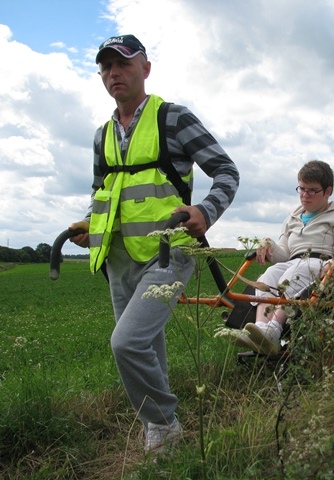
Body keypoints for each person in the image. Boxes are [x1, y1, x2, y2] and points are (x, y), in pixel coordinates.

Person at [67, 35, 239, 454]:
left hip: (169, 253)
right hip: (119, 260)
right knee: (146, 345)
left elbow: (226, 171)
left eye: (123, 64)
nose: (114, 73)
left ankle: (163, 422)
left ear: (145, 68)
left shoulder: (173, 119)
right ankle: (168, 443)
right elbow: (101, 190)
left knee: (126, 343)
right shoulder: (101, 135)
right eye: (106, 67)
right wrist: (91, 225)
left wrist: (205, 210)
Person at [231, 160, 334, 356]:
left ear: (328, 191)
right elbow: (285, 254)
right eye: (302, 189)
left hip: (325, 263)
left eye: (312, 190)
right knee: (269, 275)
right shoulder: (292, 218)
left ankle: (274, 328)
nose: (305, 195)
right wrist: (269, 245)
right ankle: (260, 330)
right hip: (294, 260)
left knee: (295, 272)